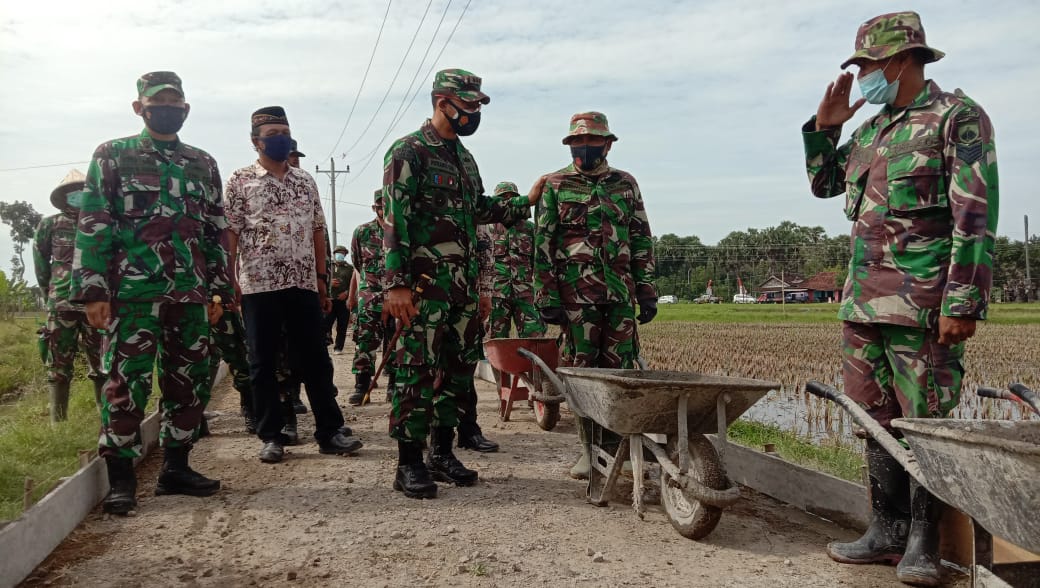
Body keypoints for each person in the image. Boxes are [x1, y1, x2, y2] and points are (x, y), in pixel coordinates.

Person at [802, 12, 997, 586]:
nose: (861, 77)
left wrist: (963, 299)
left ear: (902, 59)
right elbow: (824, 185)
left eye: (866, 66)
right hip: (863, 304)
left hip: (923, 303)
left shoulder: (956, 117)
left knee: (925, 420)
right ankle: (884, 528)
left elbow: (975, 212)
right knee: (874, 418)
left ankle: (924, 543)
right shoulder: (869, 131)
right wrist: (825, 127)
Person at [71, 71, 231, 514]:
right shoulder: (112, 156)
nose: (169, 108)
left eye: (175, 102)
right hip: (132, 295)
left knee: (189, 383)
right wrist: (93, 291)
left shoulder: (203, 163)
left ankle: (176, 468)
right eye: (158, 101)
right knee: (126, 385)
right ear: (139, 107)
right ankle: (121, 479)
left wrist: (220, 291)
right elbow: (94, 223)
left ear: (186, 108)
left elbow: (215, 231)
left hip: (191, 293)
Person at [382, 69, 544, 498]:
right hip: (421, 287)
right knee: (415, 371)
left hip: (461, 289)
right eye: (468, 106)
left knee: (457, 373)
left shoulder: (464, 159)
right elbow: (394, 221)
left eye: (477, 107)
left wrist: (523, 203)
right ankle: (409, 462)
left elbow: (479, 209)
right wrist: (396, 283)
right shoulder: (408, 151)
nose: (473, 114)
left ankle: (441, 450)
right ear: (442, 102)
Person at [224, 106, 363, 464]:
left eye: (284, 132)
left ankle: (330, 431)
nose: (280, 139)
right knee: (262, 362)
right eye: (272, 134)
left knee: (315, 359)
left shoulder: (305, 181)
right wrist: (229, 279)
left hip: (302, 283)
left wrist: (321, 277)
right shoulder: (240, 181)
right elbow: (231, 233)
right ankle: (271, 436)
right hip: (258, 284)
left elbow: (318, 229)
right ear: (256, 141)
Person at [534, 111, 657, 480]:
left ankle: (616, 447)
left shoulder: (626, 184)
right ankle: (589, 451)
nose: (583, 148)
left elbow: (640, 237)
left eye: (590, 142)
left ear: (607, 143)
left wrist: (647, 291)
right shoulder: (556, 185)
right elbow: (544, 243)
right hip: (575, 300)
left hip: (619, 296)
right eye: (577, 143)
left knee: (621, 375)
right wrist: (546, 297)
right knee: (582, 375)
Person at [33, 169, 105, 421]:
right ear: (63, 197)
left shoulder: (101, 224)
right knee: (58, 367)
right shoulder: (50, 225)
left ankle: (105, 419)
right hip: (61, 305)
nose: (76, 196)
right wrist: (48, 292)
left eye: (81, 192)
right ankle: (59, 424)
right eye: (71, 193)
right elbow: (40, 262)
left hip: (95, 306)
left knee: (102, 365)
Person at [482, 181, 546, 340]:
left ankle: (531, 365)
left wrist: (542, 292)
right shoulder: (487, 228)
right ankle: (497, 366)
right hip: (496, 295)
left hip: (525, 293)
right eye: (504, 198)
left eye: (512, 197)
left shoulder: (530, 229)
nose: (509, 201)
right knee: (495, 340)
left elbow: (539, 262)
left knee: (534, 337)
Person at [347, 190, 394, 406]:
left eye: (388, 205)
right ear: (375, 208)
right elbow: (357, 263)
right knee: (365, 342)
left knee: (396, 343)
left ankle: (394, 386)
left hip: (397, 298)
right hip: (371, 297)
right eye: (380, 206)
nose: (384, 209)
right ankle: (362, 385)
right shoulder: (362, 232)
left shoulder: (403, 232)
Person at [325, 245, 353, 354]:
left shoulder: (350, 268)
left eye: (342, 253)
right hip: (330, 300)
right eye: (338, 252)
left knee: (342, 325)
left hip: (343, 302)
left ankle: (338, 347)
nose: (340, 254)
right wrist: (329, 283)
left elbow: (353, 284)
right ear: (334, 254)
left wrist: (347, 293)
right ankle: (325, 343)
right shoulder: (328, 266)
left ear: (345, 255)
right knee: (325, 324)